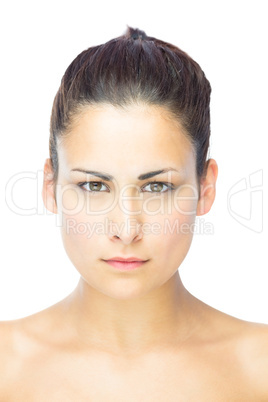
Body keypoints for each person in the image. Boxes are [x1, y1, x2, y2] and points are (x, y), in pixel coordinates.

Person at [1, 26, 268, 400]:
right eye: (94, 186)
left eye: (157, 187)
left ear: (205, 188)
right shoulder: (5, 368)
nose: (126, 230)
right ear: (51, 187)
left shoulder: (260, 370)